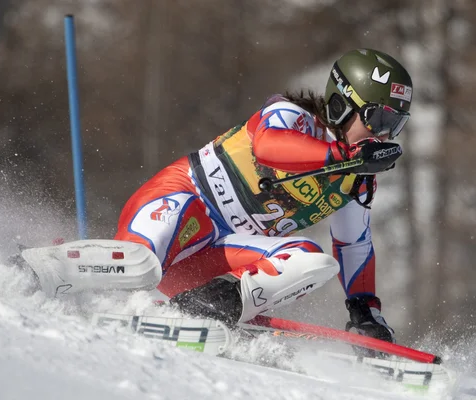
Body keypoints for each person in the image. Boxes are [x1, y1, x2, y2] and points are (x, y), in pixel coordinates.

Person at [113, 48, 412, 342]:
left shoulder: (356, 179)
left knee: (312, 260)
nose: (382, 136)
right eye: (378, 120)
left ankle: (214, 306)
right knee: (146, 256)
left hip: (216, 255)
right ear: (341, 104)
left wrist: (365, 311)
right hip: (187, 201)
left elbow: (352, 244)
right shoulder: (293, 115)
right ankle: (113, 287)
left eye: (395, 125)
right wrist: (343, 154)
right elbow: (268, 147)